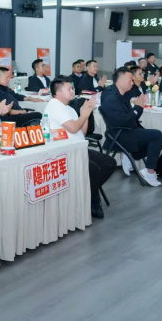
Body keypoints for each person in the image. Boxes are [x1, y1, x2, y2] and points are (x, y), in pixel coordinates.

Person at [44, 77, 116, 219]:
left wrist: (86, 115)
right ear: (58, 93)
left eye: (72, 88)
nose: (73, 91)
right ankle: (93, 202)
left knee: (109, 163)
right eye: (69, 89)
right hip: (62, 152)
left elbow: (81, 133)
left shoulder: (69, 108)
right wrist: (83, 114)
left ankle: (86, 192)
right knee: (92, 168)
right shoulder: (54, 105)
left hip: (78, 148)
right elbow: (73, 128)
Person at [99, 67, 162, 187]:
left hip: (128, 129)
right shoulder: (111, 97)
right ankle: (149, 171)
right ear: (120, 81)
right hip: (120, 134)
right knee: (157, 135)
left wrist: (138, 107)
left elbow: (131, 117)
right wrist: (137, 108)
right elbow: (123, 121)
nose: (132, 82)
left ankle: (131, 157)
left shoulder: (121, 93)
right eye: (130, 79)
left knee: (160, 141)